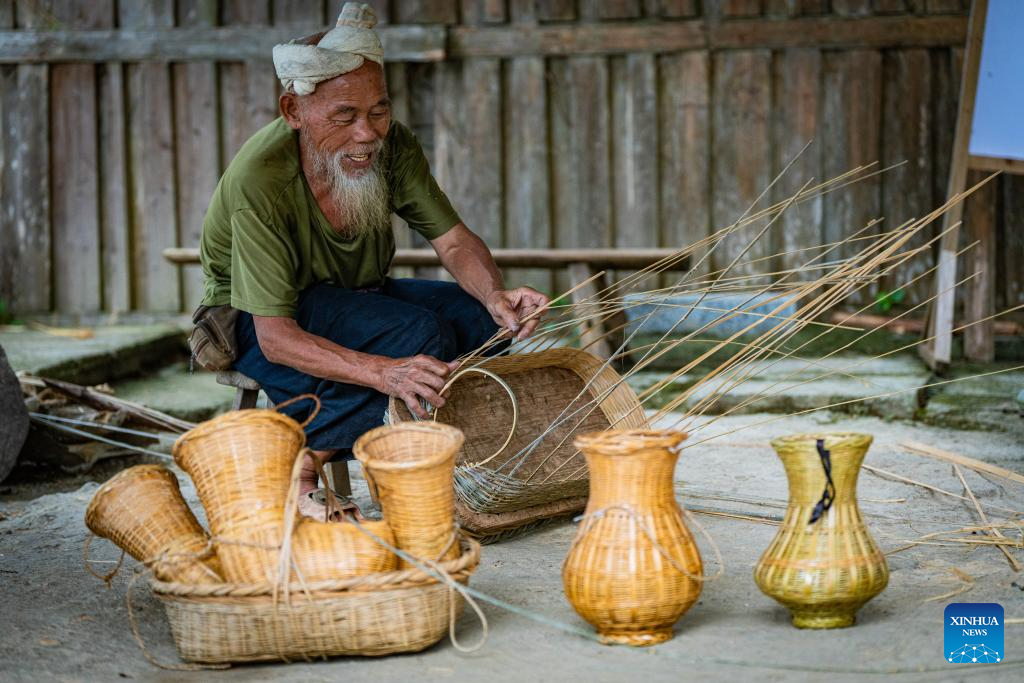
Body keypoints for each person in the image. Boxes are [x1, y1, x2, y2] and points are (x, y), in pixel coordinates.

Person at [198, 2, 548, 518]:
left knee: (479, 322)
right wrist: (387, 374)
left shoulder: (393, 145)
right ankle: (303, 462)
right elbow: (276, 337)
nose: (368, 134)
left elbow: (452, 241)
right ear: (294, 112)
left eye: (378, 111)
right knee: (417, 339)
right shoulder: (262, 179)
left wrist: (496, 295)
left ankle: (428, 452)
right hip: (253, 319)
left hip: (356, 297)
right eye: (344, 116)